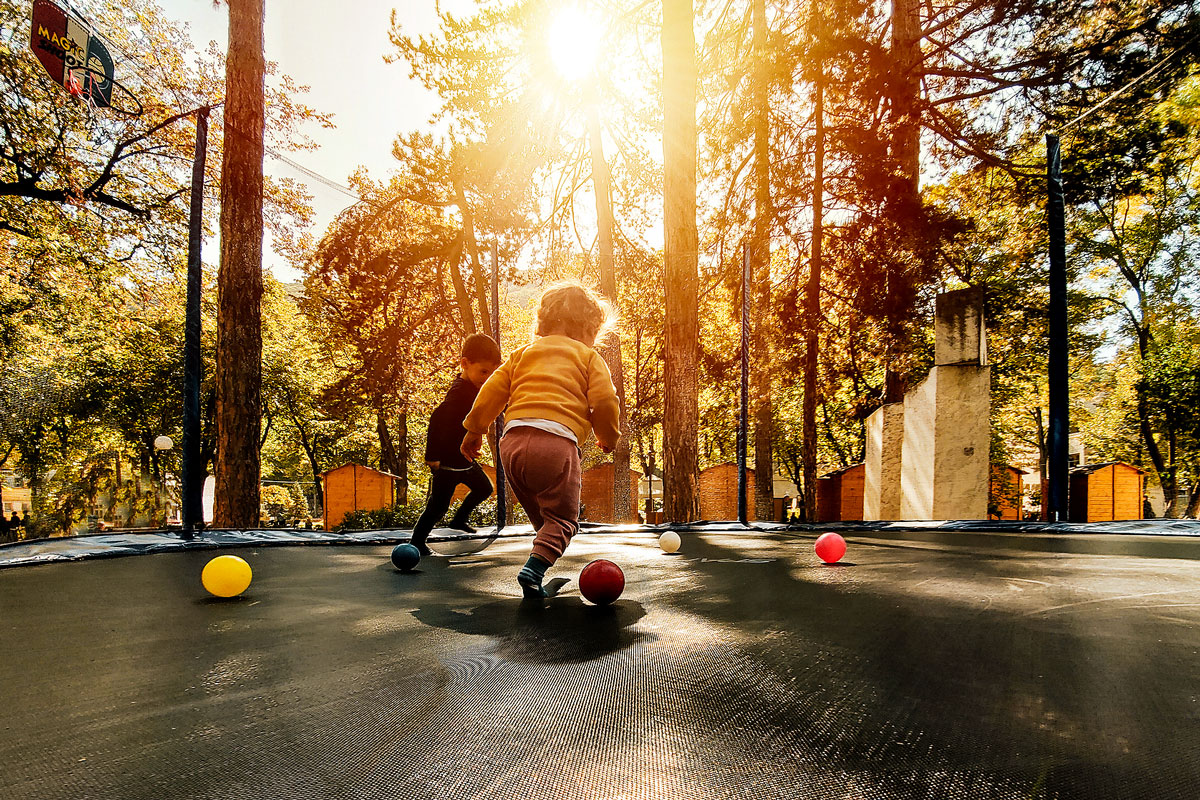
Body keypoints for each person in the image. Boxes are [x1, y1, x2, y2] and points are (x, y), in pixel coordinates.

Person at [461, 283, 620, 598]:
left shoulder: (523, 353)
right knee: (563, 519)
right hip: (556, 445)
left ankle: (541, 553)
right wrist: (607, 436)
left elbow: (493, 389)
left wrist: (475, 428)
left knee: (541, 515)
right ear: (587, 329)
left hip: (512, 445)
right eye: (593, 332)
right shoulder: (588, 357)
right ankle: (534, 570)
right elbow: (604, 401)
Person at [410, 333, 503, 556]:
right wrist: (431, 455)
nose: (487, 377)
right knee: (438, 506)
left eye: (492, 373)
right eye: (483, 371)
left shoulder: (475, 389)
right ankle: (416, 542)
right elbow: (437, 418)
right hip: (448, 462)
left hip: (464, 460)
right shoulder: (460, 392)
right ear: (465, 364)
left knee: (484, 488)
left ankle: (459, 519)